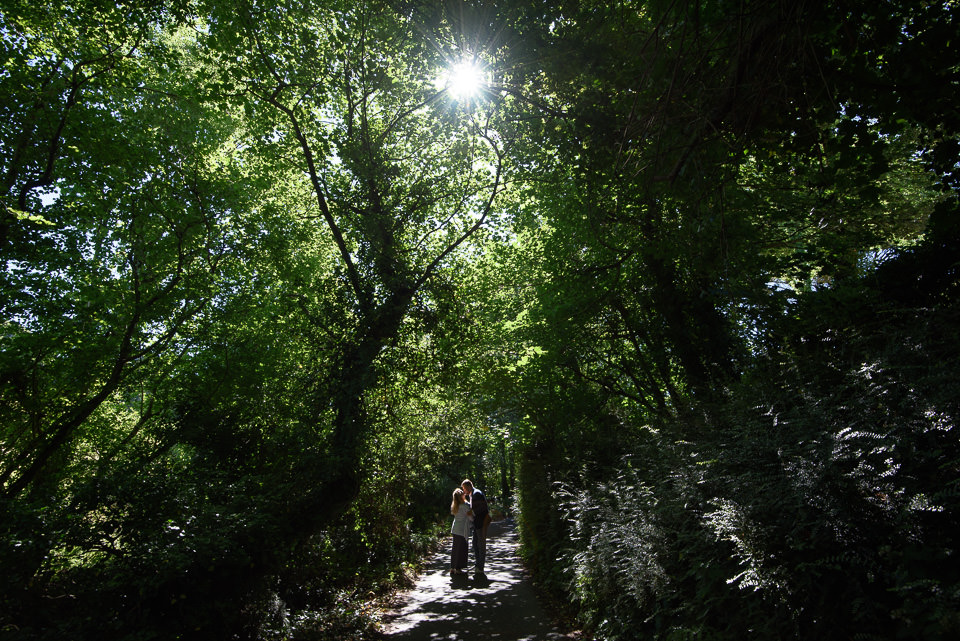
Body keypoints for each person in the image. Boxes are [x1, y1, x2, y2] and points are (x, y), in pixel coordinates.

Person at [461, 479, 490, 575]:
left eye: (464, 488)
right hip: (477, 523)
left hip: (481, 523)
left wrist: (471, 512)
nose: (464, 491)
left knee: (481, 545)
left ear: (469, 486)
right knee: (475, 543)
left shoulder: (476, 494)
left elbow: (482, 508)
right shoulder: (472, 494)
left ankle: (480, 567)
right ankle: (478, 564)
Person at [450, 488, 473, 575]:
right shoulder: (465, 506)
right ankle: (458, 568)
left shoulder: (454, 506)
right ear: (461, 496)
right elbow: (470, 517)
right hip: (462, 530)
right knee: (462, 549)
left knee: (455, 549)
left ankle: (452, 567)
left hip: (455, 529)